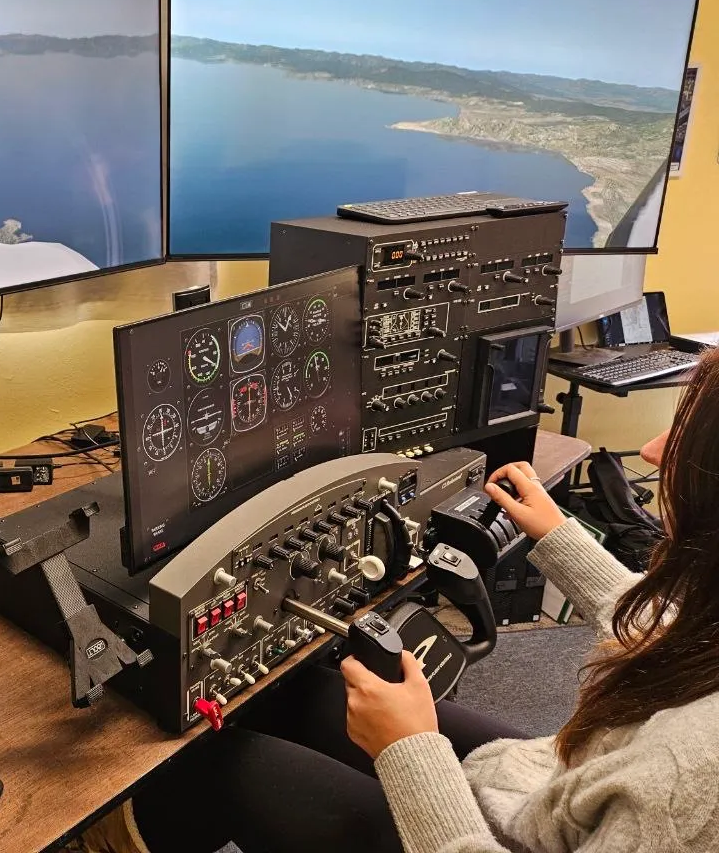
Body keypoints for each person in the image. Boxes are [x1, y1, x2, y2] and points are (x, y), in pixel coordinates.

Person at [131, 349, 719, 853]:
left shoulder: (683, 780)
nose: (651, 451)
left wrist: (410, 751)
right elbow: (679, 640)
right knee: (298, 694)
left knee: (208, 766)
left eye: (689, 440)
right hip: (556, 789)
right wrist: (559, 539)